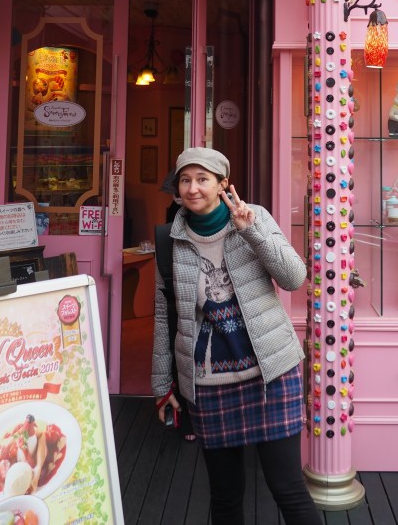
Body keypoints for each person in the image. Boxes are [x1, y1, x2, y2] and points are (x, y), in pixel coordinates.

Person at [152, 147, 322, 525]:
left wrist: (251, 231)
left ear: (222, 184)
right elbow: (165, 316)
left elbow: (294, 278)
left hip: (271, 374)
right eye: (185, 180)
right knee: (225, 497)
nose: (192, 188)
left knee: (289, 490)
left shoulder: (253, 217)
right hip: (210, 383)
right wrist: (162, 384)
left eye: (202, 179)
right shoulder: (170, 240)